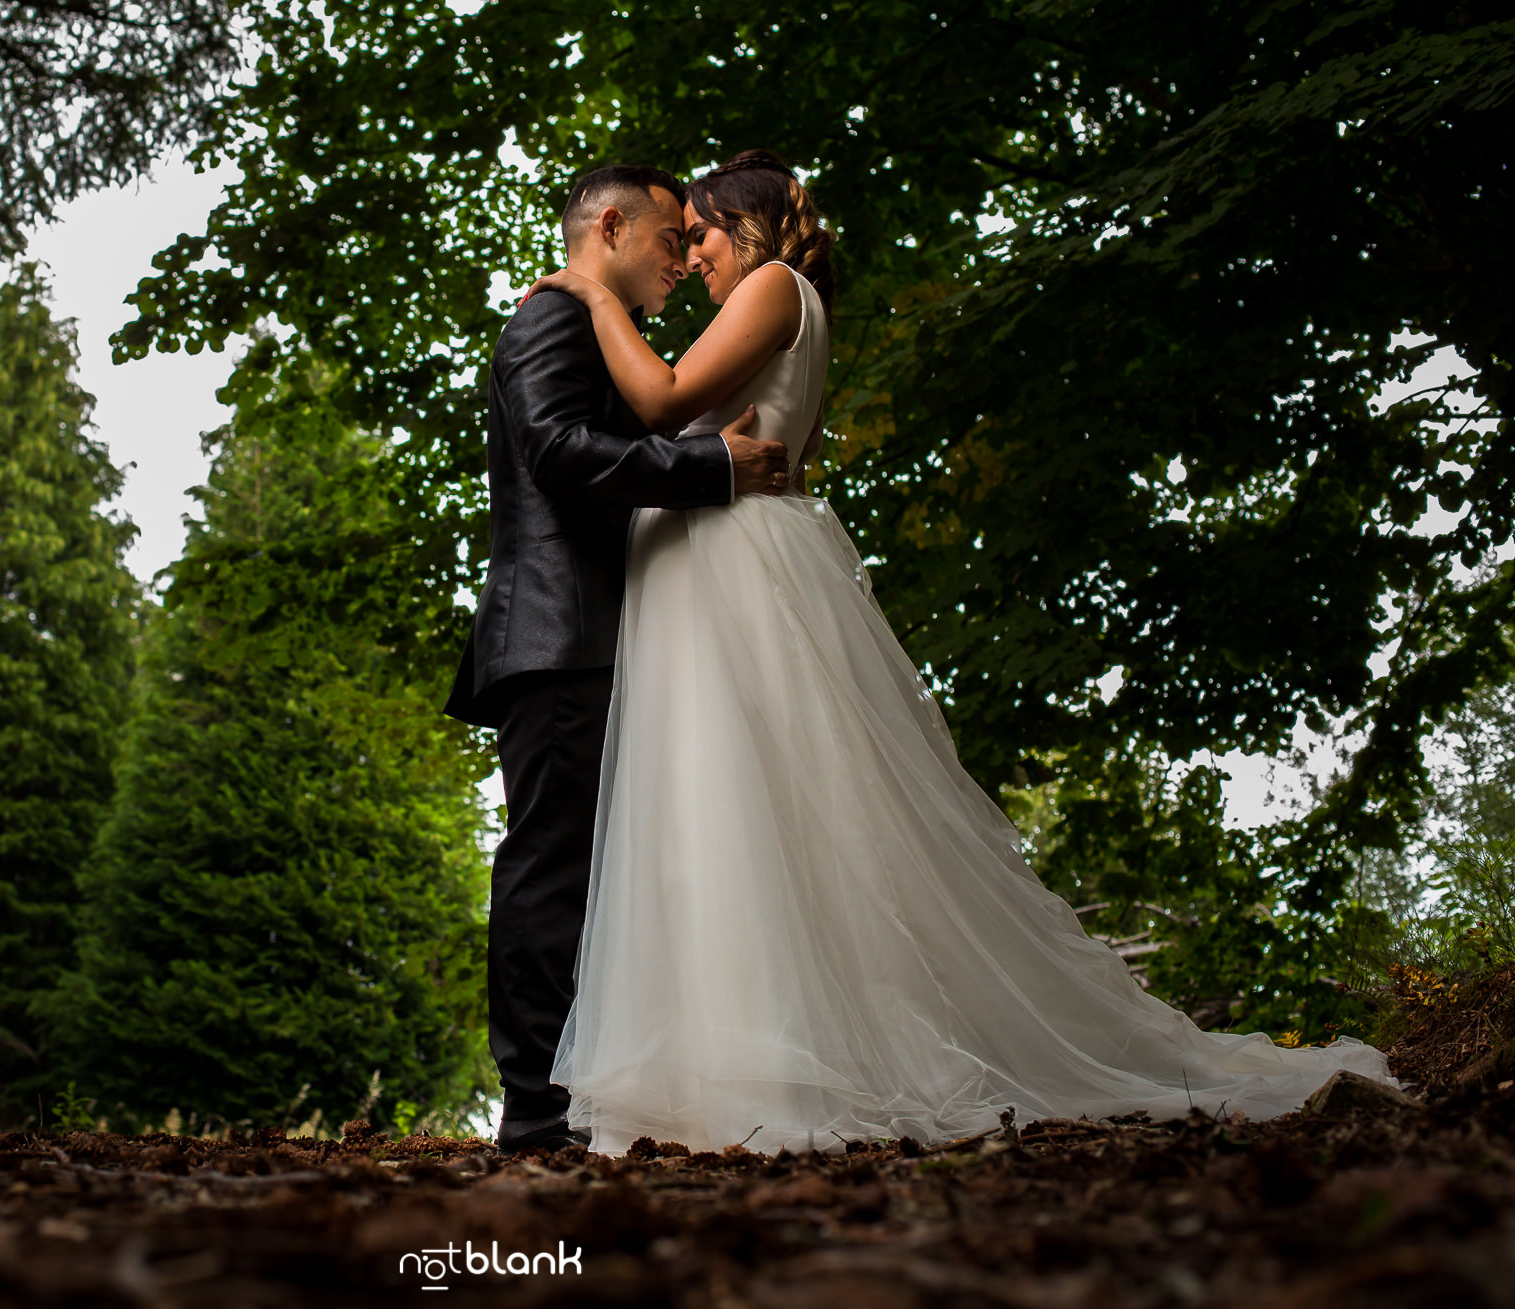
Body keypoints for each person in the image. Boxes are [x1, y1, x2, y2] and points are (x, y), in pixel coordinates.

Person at [529, 150, 1393, 1156]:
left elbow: (663, 402)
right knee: (718, 804)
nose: (694, 257)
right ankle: (720, 1062)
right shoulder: (776, 293)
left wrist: (594, 297)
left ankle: (773, 1063)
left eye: (702, 234)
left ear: (746, 225)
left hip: (733, 563)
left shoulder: (773, 286)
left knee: (748, 795)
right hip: (714, 556)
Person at [443, 164, 791, 1155]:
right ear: (606, 226)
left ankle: (583, 1099)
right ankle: (537, 1112)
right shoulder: (551, 320)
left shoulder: (595, 330)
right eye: (666, 241)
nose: (682, 261)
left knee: (595, 874)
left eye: (693, 243)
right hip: (558, 638)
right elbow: (555, 452)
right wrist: (710, 465)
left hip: (594, 634)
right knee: (550, 870)